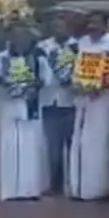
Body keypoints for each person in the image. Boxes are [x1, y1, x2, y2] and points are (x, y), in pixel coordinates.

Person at [67, 12, 109, 201]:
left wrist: (102, 85)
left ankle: (99, 188)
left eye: (97, 23)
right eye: (90, 22)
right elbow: (77, 68)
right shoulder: (82, 42)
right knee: (81, 141)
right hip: (84, 97)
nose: (92, 26)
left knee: (101, 143)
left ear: (105, 25)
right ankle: (79, 187)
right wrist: (82, 85)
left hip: (105, 99)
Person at [0, 24, 51, 201]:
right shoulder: (3, 57)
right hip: (9, 106)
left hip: (30, 106)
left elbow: (47, 78)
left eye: (24, 37)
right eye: (16, 37)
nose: (20, 41)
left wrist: (34, 85)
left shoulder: (38, 57)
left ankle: (30, 190)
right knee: (9, 146)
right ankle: (10, 190)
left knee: (31, 147)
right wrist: (4, 80)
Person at [38, 15, 77, 196]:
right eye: (55, 27)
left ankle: (74, 183)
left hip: (71, 102)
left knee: (73, 146)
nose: (58, 30)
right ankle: (56, 185)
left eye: (62, 27)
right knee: (53, 148)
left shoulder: (78, 47)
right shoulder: (43, 47)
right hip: (49, 102)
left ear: (68, 28)